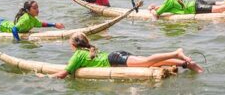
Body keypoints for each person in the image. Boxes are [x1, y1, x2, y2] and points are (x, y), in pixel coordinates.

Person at [37, 32, 203, 79]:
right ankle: (186, 64)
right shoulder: (88, 50)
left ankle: (177, 52)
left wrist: (45, 77)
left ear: (73, 46)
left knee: (147, 61)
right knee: (151, 63)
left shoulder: (78, 55)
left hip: (115, 59)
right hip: (116, 56)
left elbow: (64, 74)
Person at [0, 0, 64, 41]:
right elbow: (14, 29)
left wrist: (55, 25)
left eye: (37, 7)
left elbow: (41, 24)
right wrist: (17, 41)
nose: (37, 10)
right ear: (28, 10)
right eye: (35, 8)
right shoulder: (26, 19)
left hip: (4, 22)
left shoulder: (32, 18)